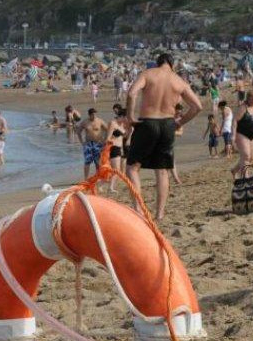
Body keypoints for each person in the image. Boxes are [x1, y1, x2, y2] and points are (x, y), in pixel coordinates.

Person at [125, 52, 203, 220]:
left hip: (148, 122)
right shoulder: (178, 80)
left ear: (157, 63)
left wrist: (130, 117)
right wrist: (180, 122)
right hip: (168, 124)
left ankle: (138, 209)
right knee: (162, 171)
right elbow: (197, 106)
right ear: (172, 65)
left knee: (132, 167)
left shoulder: (148, 74)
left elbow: (131, 94)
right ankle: (159, 214)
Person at [231, 90, 253, 175]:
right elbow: (234, 121)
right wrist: (233, 136)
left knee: (252, 157)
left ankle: (235, 170)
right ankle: (246, 177)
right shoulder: (243, 107)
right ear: (249, 98)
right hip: (242, 133)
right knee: (246, 155)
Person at [77, 108, 108, 178]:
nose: (94, 116)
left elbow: (108, 130)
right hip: (88, 144)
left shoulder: (100, 121)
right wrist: (82, 142)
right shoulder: (85, 122)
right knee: (87, 162)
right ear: (89, 115)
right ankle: (86, 179)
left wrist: (105, 140)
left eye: (95, 114)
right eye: (93, 115)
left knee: (98, 162)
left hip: (98, 143)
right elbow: (78, 132)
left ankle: (98, 177)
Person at [106, 106, 129, 192]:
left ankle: (106, 186)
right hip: (113, 148)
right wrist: (113, 140)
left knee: (114, 170)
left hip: (119, 148)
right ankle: (110, 187)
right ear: (122, 116)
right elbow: (107, 138)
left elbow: (123, 137)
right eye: (125, 117)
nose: (126, 119)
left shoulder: (122, 125)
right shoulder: (113, 123)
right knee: (116, 170)